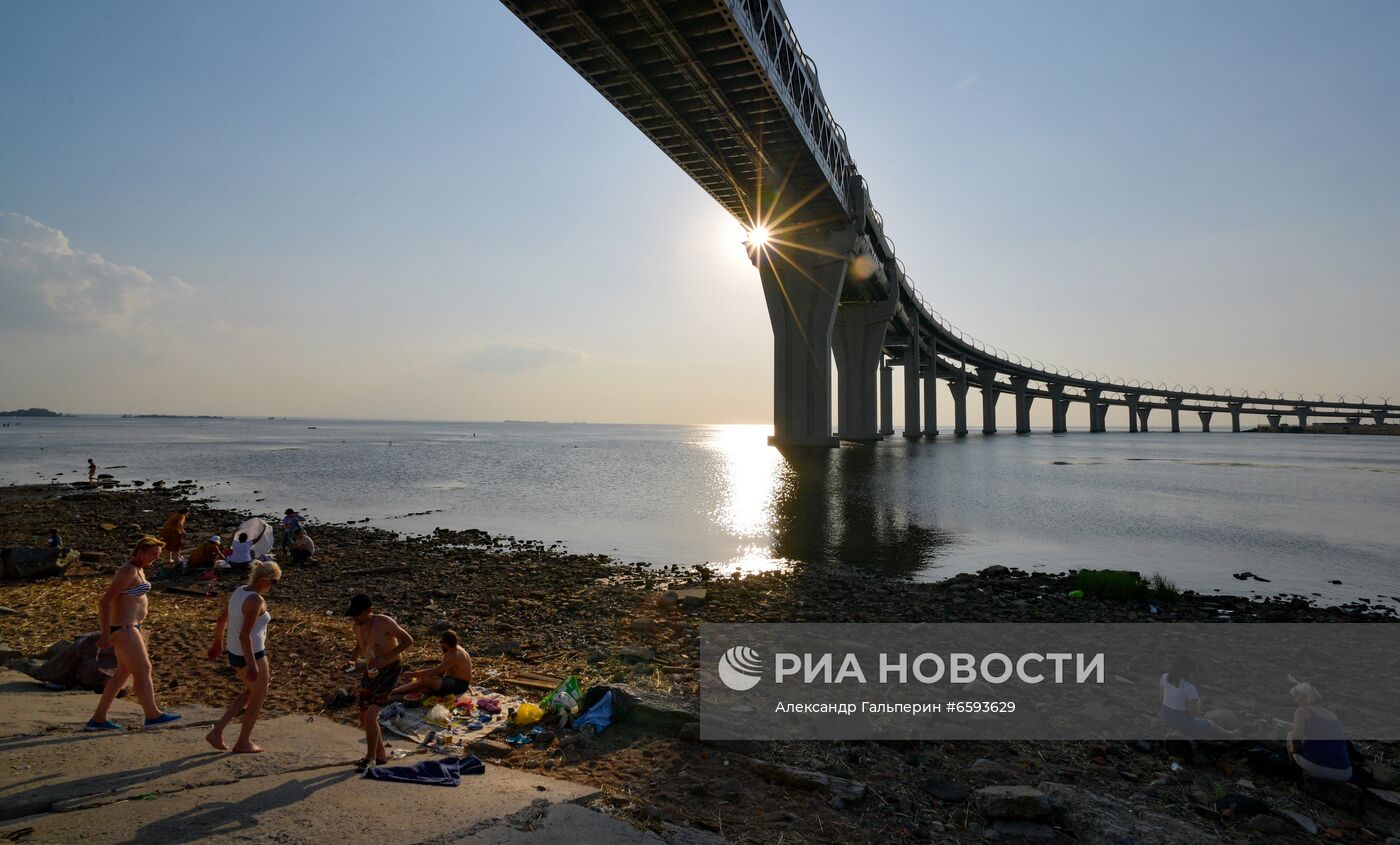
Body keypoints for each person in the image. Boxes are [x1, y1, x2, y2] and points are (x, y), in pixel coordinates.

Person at [86, 536, 181, 730]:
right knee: (144, 669)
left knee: (122, 674)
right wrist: (105, 635)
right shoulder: (128, 570)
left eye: (158, 555)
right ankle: (152, 714)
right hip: (124, 628)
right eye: (153, 554)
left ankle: (98, 718)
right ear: (140, 551)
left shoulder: (139, 569)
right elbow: (105, 602)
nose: (155, 558)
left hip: (131, 627)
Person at [206, 560, 281, 753]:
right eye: (275, 582)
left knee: (250, 691)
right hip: (252, 653)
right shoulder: (255, 600)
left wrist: (218, 642)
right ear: (265, 580)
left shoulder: (240, 591)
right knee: (258, 695)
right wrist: (252, 664)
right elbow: (244, 635)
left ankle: (217, 731)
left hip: (235, 652)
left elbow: (223, 618)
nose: (274, 586)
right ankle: (243, 742)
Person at [347, 594, 413, 769]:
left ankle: (369, 758)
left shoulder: (384, 623)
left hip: (390, 670)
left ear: (369, 610)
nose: (355, 618)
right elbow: (360, 646)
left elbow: (408, 641)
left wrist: (386, 658)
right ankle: (381, 755)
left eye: (358, 614)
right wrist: (353, 659)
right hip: (371, 671)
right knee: (363, 715)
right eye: (353, 615)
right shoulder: (357, 626)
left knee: (371, 714)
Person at [1158, 656, 1239, 739]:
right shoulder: (1189, 688)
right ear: (1188, 671)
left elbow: (1161, 698)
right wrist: (1199, 702)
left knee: (1180, 718)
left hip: (1167, 716)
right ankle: (1230, 734)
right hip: (1181, 721)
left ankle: (1174, 729)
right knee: (1211, 724)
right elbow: (1193, 714)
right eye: (1194, 671)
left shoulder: (1164, 677)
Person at [1287, 682, 1352, 781]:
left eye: (1296, 697)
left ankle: (1297, 779)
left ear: (1304, 696)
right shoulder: (1332, 714)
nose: (1295, 700)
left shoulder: (1302, 711)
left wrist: (1292, 750)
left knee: (1290, 737)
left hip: (1320, 767)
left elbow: (1296, 739)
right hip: (1345, 771)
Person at [391, 629, 473, 700]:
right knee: (424, 687)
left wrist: (412, 674)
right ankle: (395, 695)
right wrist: (422, 675)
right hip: (450, 680)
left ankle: (394, 692)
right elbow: (440, 672)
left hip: (460, 685)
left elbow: (435, 672)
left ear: (445, 644)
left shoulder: (455, 655)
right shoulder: (451, 651)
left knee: (427, 681)